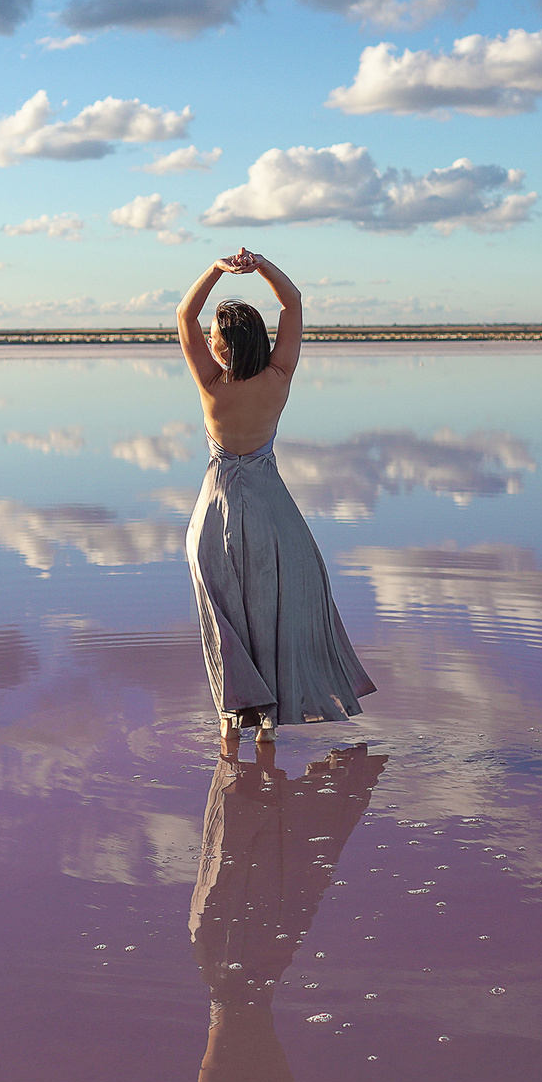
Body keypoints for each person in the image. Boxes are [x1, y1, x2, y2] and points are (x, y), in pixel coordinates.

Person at [179, 743, 388, 1082]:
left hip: (250, 966)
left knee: (265, 868)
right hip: (236, 966)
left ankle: (256, 760)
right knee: (250, 864)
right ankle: (253, 759)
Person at [177, 248, 375, 744]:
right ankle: (267, 725)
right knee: (273, 612)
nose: (208, 338)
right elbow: (292, 303)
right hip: (272, 512)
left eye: (213, 335)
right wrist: (261, 266)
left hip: (217, 512)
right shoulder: (278, 378)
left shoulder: (210, 384)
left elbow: (184, 314)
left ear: (222, 347)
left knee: (225, 616)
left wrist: (218, 269)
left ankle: (231, 717)